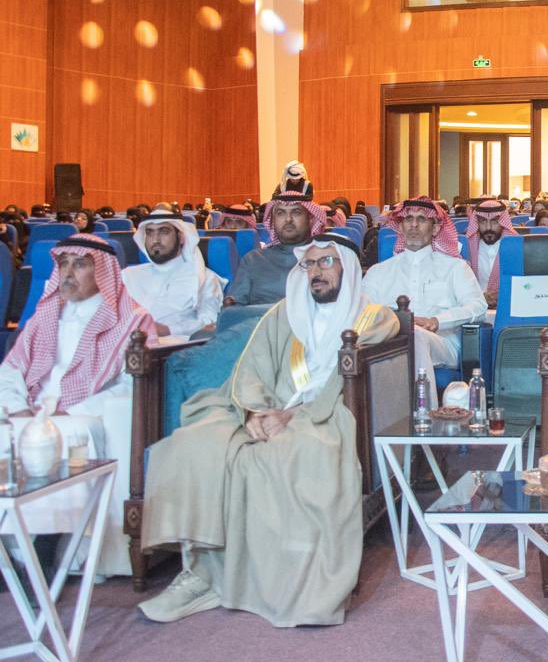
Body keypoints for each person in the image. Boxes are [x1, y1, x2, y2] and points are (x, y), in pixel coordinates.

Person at [139, 234, 400, 627]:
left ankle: (284, 584)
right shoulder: (283, 313)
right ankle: (201, 572)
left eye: (327, 262)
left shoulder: (373, 318)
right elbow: (252, 368)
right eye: (310, 264)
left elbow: (342, 382)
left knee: (288, 455)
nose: (317, 272)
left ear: (347, 268)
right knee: (195, 444)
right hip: (267, 409)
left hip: (327, 414)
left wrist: (293, 416)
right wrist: (254, 412)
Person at [0, 234, 155, 577]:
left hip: (85, 414)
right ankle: (9, 551)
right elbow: (10, 371)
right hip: (32, 408)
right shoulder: (43, 317)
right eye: (64, 264)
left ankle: (48, 547)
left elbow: (133, 384)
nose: (68, 273)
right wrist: (17, 406)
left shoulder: (131, 321)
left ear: (102, 272)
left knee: (67, 432)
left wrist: (69, 410)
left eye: (80, 264)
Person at [363, 198, 484, 386]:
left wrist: (435, 321)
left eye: (421, 219)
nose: (413, 224)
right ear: (400, 227)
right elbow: (362, 312)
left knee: (415, 335)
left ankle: (422, 404)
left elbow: (478, 306)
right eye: (408, 219)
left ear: (435, 228)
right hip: (388, 343)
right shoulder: (378, 272)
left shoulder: (456, 268)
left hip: (442, 343)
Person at [122, 212, 224, 340]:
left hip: (173, 345)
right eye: (149, 233)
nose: (155, 240)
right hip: (121, 342)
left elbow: (210, 323)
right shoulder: (128, 275)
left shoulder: (204, 277)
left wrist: (168, 330)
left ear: (181, 237)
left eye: (164, 232)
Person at [223, 190, 326, 306]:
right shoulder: (253, 260)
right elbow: (234, 307)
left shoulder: (327, 258)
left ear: (311, 219)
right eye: (280, 213)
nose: (288, 219)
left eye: (296, 212)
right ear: (272, 221)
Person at [464, 200, 518, 307]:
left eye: (494, 221)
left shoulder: (516, 246)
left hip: (510, 306)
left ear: (502, 222)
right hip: (475, 307)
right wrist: (481, 297)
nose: (488, 227)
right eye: (483, 221)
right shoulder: (467, 247)